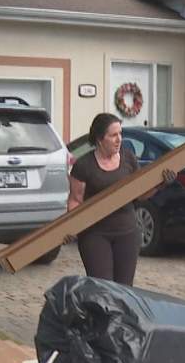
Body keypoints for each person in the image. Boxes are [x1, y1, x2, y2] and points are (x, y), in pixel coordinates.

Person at [68, 113, 174, 286]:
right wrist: (70, 228)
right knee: (103, 288)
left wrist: (160, 184)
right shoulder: (83, 165)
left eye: (120, 134)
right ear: (100, 138)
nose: (119, 139)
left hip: (127, 233)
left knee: (125, 290)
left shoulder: (129, 159)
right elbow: (75, 200)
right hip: (95, 235)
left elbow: (140, 194)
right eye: (113, 135)